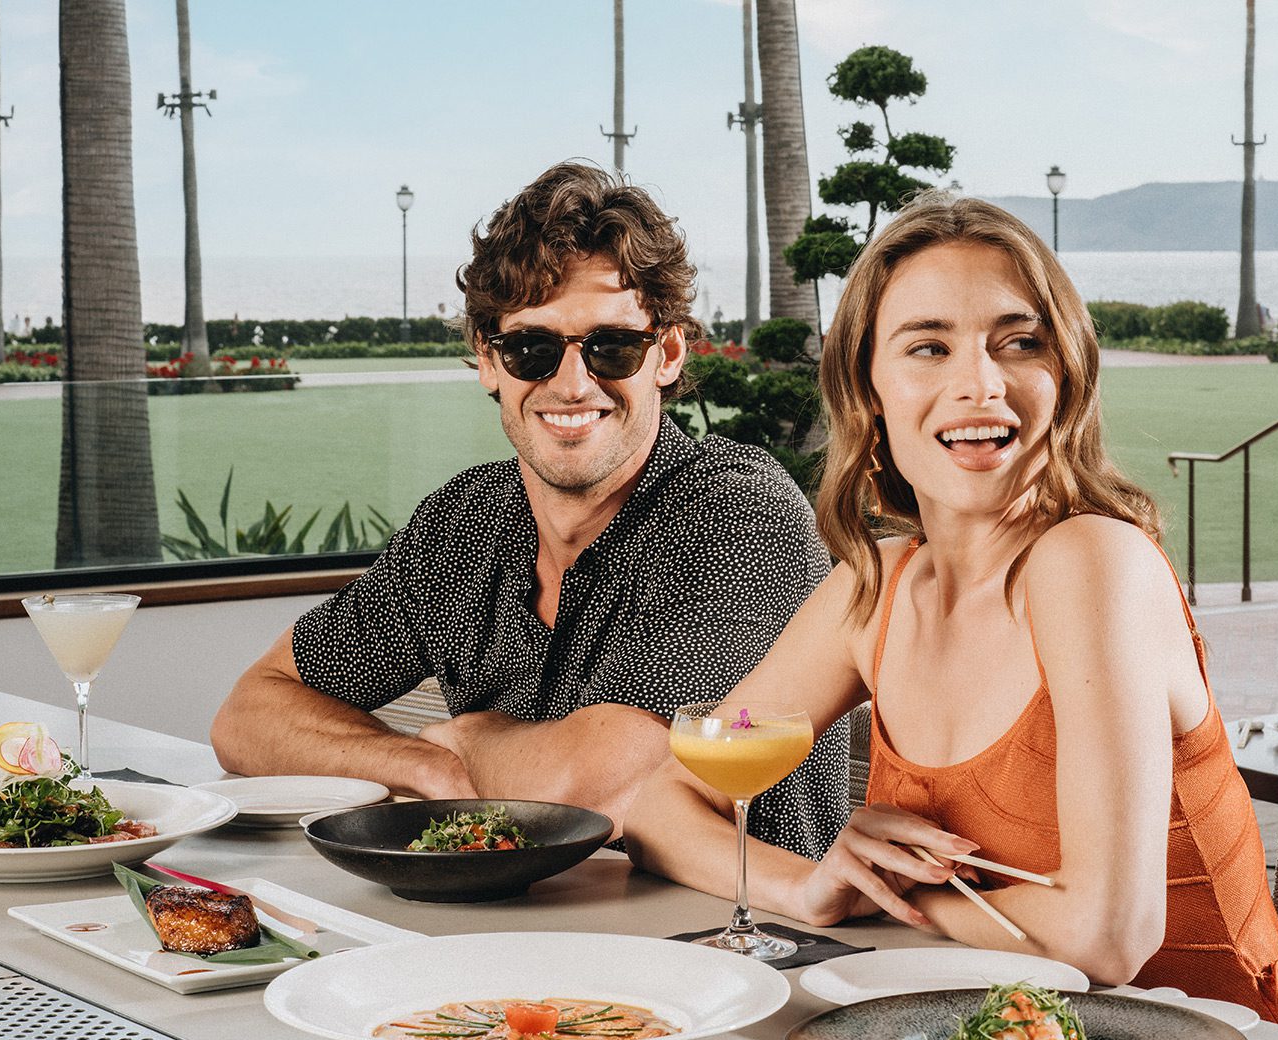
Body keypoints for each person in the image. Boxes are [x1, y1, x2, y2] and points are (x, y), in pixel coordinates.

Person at [624, 193, 1278, 1040]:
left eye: (1020, 343)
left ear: (1066, 375)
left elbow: (1108, 937)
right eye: (928, 347)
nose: (980, 384)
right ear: (867, 388)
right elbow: (663, 803)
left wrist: (898, 895)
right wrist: (810, 887)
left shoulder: (1093, 562)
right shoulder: (875, 588)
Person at [210, 163, 847, 858]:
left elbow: (605, 787)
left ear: (666, 354)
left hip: (736, 921)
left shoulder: (738, 514)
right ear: (488, 360)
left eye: (611, 346)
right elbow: (248, 714)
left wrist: (471, 736)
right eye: (532, 349)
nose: (572, 384)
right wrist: (425, 763)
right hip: (521, 917)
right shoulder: (464, 522)